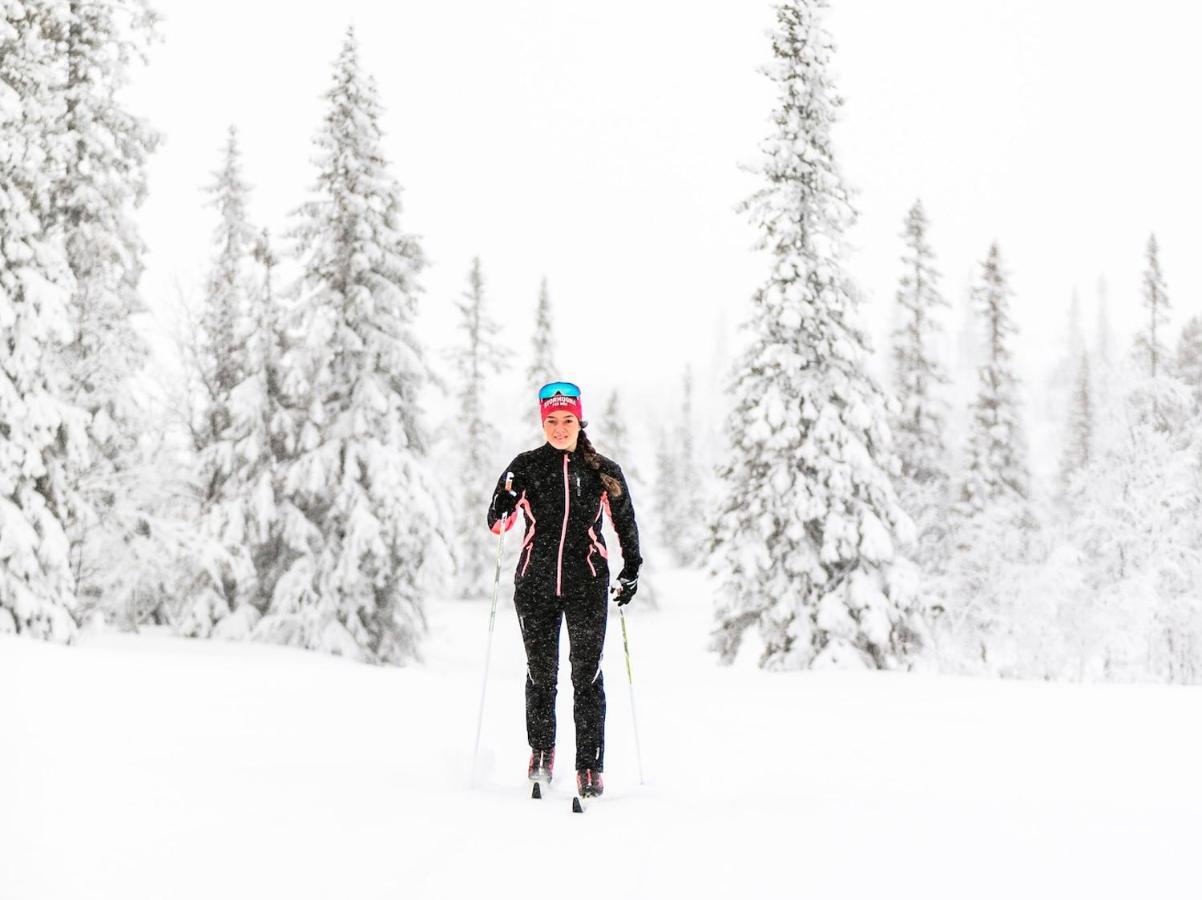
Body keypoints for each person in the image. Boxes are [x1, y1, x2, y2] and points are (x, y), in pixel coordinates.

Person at [486, 381, 642, 800]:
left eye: (566, 420)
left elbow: (625, 522)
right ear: (543, 422)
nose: (559, 428)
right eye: (551, 421)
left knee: (586, 676)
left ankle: (589, 767)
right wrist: (501, 506)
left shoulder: (602, 470)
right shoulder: (526, 466)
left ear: (578, 421)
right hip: (534, 585)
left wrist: (632, 570)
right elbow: (498, 524)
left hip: (587, 584)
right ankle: (541, 753)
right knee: (541, 675)